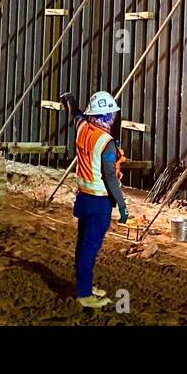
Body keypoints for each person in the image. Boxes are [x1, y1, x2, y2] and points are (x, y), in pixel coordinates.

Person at [71, 89, 128, 309]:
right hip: (99, 202)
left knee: (82, 245)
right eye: (112, 114)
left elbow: (76, 117)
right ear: (107, 116)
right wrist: (122, 206)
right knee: (90, 248)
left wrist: (72, 103)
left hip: (83, 199)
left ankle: (84, 285)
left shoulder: (83, 128)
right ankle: (84, 294)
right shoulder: (106, 143)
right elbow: (111, 178)